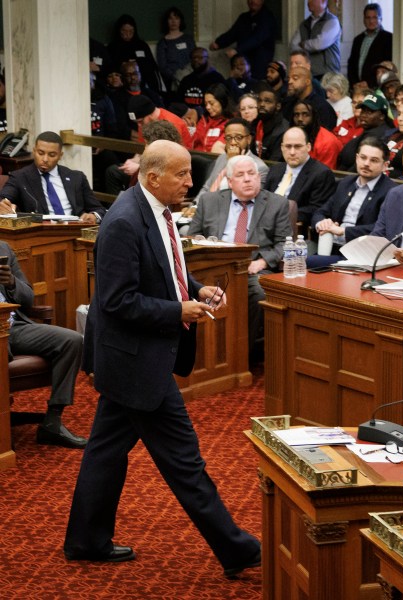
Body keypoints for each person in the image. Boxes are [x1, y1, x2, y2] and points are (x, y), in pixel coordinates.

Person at [63, 140, 261, 574]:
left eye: (191, 173)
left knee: (105, 452)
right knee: (184, 461)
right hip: (136, 362)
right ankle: (238, 550)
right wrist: (178, 310)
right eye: (181, 175)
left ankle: (85, 540)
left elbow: (162, 264)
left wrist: (194, 288)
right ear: (153, 178)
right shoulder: (123, 221)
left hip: (127, 359)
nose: (191, 182)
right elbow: (116, 302)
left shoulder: (154, 211)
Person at [188, 155, 291, 353]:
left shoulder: (276, 204)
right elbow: (193, 235)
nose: (247, 179)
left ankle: (242, 354)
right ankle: (203, 353)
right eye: (240, 175)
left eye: (252, 174)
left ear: (259, 177)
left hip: (251, 269)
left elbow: (284, 244)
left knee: (259, 293)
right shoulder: (209, 201)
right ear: (229, 180)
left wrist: (262, 262)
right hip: (213, 265)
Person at [0, 241, 86, 449]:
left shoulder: (3, 248)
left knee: (72, 340)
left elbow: (28, 298)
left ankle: (52, 422)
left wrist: (11, 282)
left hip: (14, 326)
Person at [311, 137, 397, 261]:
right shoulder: (346, 183)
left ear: (385, 166)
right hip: (332, 247)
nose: (366, 163)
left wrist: (343, 231)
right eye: (363, 158)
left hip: (362, 254)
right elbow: (320, 212)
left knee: (309, 262)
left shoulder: (391, 192)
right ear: (356, 158)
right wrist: (323, 223)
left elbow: (383, 229)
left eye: (374, 160)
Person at [0, 131, 105, 223]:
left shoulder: (77, 177)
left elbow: (99, 210)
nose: (45, 159)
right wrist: (3, 205)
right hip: (41, 235)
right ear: (34, 151)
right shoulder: (20, 177)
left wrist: (94, 216)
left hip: (75, 231)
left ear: (60, 155)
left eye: (52, 155)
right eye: (41, 153)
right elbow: (3, 198)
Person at [264, 126, 336, 231]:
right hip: (265, 225)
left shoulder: (321, 173)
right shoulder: (275, 169)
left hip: (293, 230)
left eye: (298, 147)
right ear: (282, 147)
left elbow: (316, 209)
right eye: (288, 146)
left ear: (308, 147)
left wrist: (279, 215)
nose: (292, 152)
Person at [209, 0, 276, 80]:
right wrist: (218, 43)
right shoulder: (244, 17)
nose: (252, 1)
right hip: (242, 64)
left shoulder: (267, 18)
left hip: (259, 65)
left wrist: (237, 50)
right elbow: (232, 33)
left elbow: (257, 38)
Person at [336, 93, 394, 172]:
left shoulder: (377, 135)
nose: (363, 115)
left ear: (382, 116)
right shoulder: (370, 130)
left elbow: (360, 167)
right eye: (363, 111)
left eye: (369, 112)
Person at [107, 14, 163, 96]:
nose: (128, 34)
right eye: (124, 31)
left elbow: (151, 66)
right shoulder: (112, 47)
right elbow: (110, 68)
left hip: (144, 85)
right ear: (119, 30)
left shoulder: (142, 45)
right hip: (123, 87)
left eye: (131, 31)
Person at [290, 0, 341, 79]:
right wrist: (309, 47)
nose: (308, 2)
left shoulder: (332, 21)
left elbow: (319, 44)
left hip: (328, 74)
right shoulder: (304, 24)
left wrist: (304, 44)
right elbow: (293, 46)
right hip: (309, 73)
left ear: (323, 1)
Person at [347, 3, 393, 89]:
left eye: (374, 17)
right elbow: (351, 64)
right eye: (368, 18)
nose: (371, 21)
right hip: (357, 88)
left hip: (376, 87)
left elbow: (386, 66)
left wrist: (369, 84)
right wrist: (354, 83)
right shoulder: (358, 39)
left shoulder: (389, 38)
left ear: (381, 19)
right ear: (364, 19)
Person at [291, 99, 342, 170]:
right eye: (296, 115)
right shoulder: (292, 136)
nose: (300, 119)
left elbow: (324, 174)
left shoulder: (327, 142)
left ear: (314, 117)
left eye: (305, 114)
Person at [283, 66, 337, 131]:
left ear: (307, 82)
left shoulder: (321, 107)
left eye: (295, 78)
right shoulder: (288, 104)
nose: (289, 82)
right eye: (288, 79)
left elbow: (326, 136)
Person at [156, 6, 195, 93]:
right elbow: (163, 66)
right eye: (170, 18)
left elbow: (194, 58)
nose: (173, 21)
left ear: (180, 20)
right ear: (167, 21)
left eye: (176, 18)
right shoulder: (163, 43)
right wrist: (176, 76)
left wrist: (187, 75)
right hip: (173, 82)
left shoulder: (188, 39)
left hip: (190, 77)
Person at [252, 83, 289, 162]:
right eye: (259, 101)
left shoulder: (283, 130)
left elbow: (274, 162)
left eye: (267, 101)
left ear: (278, 106)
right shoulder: (255, 124)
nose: (262, 104)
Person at [192, 83, 234, 152]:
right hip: (198, 159)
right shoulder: (203, 120)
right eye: (206, 104)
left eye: (211, 103)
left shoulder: (232, 123)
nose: (207, 107)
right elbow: (193, 144)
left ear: (222, 102)